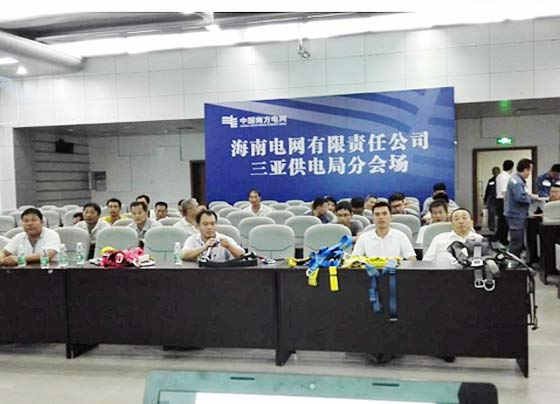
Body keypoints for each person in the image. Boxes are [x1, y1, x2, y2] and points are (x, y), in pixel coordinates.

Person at [505, 158, 540, 258]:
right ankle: (512, 263)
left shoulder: (516, 179)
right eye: (530, 170)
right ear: (525, 169)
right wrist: (533, 199)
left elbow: (523, 193)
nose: (529, 173)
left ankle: (514, 260)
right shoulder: (517, 182)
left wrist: (530, 196)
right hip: (516, 215)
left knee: (517, 241)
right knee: (517, 242)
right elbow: (520, 197)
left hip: (515, 214)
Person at [496, 159, 514, 244]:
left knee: (502, 221)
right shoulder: (505, 177)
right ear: (512, 167)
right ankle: (503, 240)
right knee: (504, 222)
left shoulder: (500, 176)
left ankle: (500, 238)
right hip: (504, 200)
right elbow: (504, 192)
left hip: (500, 201)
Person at [483, 167, 501, 232]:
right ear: (492, 173)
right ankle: (491, 227)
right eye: (494, 172)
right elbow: (487, 190)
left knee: (500, 214)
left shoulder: (502, 180)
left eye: (496, 172)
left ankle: (500, 228)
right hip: (492, 199)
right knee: (491, 213)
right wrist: (485, 200)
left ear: (499, 172)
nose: (495, 173)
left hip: (500, 199)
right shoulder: (491, 180)